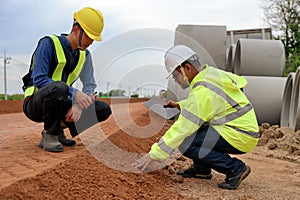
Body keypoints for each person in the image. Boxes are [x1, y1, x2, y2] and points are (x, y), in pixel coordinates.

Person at [134, 45, 259, 190]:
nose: (175, 80)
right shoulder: (210, 75)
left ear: (187, 68)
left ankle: (235, 168)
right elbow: (209, 104)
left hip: (240, 134)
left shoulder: (203, 90)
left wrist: (153, 154)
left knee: (186, 142)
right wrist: (180, 105)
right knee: (197, 133)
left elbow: (182, 128)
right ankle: (201, 170)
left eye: (175, 75)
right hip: (241, 129)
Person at [22, 7, 112, 153]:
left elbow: (90, 85)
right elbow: (39, 78)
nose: (91, 42)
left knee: (103, 109)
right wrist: (74, 93)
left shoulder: (85, 55)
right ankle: (50, 134)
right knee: (60, 88)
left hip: (61, 101)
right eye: (89, 36)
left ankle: (57, 129)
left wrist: (78, 105)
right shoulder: (48, 43)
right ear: (76, 29)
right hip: (35, 103)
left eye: (94, 39)